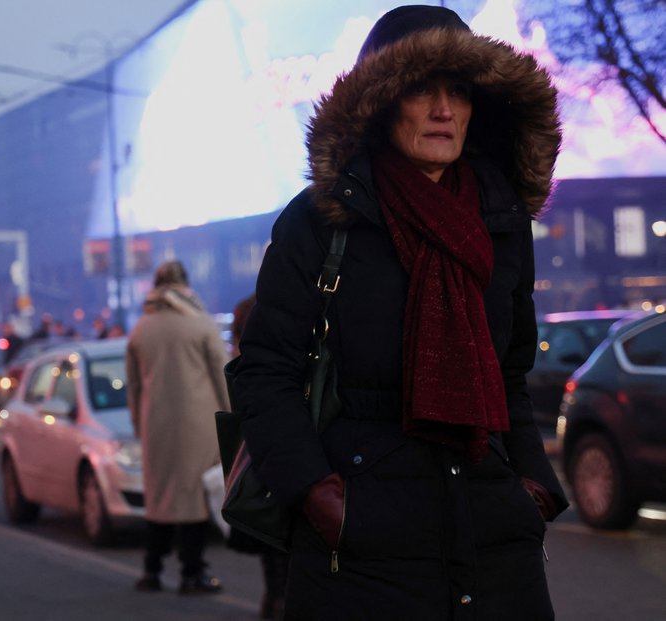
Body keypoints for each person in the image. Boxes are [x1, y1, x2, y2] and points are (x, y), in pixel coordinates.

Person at [232, 6, 569, 620]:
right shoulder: (322, 219)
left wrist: (532, 485)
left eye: (459, 91)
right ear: (381, 103)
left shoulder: (502, 223)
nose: (444, 109)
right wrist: (317, 494)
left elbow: (510, 371)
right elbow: (264, 369)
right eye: (421, 89)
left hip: (492, 529)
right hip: (361, 539)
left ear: (479, 106)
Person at [125, 260, 230, 595]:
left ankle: (151, 569)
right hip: (200, 422)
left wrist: (138, 423)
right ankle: (192, 571)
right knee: (195, 496)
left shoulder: (142, 328)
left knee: (159, 496)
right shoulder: (201, 325)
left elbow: (133, 386)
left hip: (155, 421)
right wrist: (232, 419)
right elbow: (222, 376)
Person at [229, 293, 290, 620]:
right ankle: (280, 600)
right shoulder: (280, 306)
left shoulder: (247, 311)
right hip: (285, 431)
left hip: (256, 439)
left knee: (270, 529)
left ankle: (274, 598)